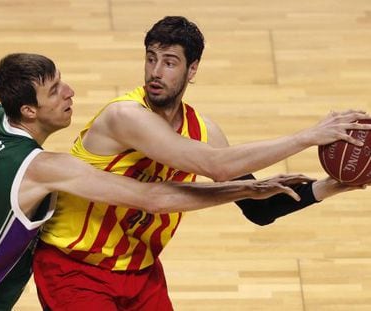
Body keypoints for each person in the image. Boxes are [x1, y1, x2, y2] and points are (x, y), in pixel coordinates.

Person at [32, 16, 371, 311]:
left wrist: (335, 185)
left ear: (192, 69)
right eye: (151, 59)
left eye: (169, 62)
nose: (156, 72)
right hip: (75, 267)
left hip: (139, 270)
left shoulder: (204, 130)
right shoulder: (125, 116)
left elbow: (259, 210)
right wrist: (308, 136)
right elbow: (217, 167)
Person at [0, 53, 311, 311]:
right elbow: (152, 197)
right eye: (54, 91)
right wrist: (249, 187)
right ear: (28, 111)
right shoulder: (45, 168)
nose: (69, 92)